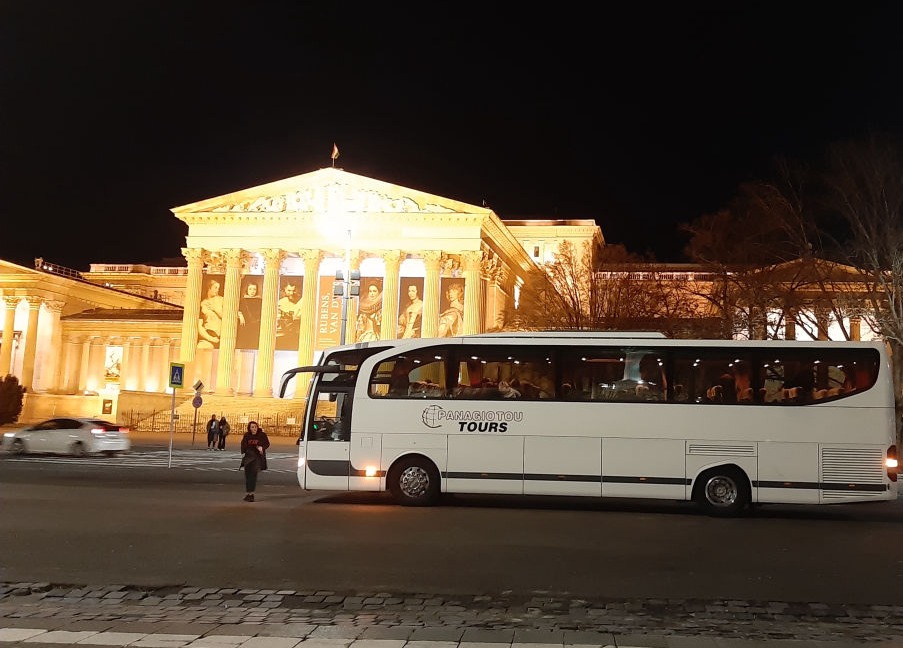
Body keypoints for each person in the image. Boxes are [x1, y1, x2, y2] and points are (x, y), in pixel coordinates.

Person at [239, 420, 270, 502]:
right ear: (249, 428)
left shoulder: (262, 435)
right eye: (252, 427)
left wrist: (262, 447)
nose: (254, 428)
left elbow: (267, 443)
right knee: (247, 476)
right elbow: (243, 444)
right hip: (248, 458)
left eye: (255, 427)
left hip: (257, 458)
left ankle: (251, 494)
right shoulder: (247, 435)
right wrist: (243, 452)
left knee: (253, 475)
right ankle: (248, 493)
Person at [197, 279, 224, 349]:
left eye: (218, 288)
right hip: (207, 334)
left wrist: (215, 309)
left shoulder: (222, 300)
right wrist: (210, 338)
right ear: (209, 288)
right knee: (201, 348)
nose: (217, 290)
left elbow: (228, 317)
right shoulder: (203, 303)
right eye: (215, 287)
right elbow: (199, 325)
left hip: (220, 334)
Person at [236, 280, 263, 349]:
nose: (252, 291)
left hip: (256, 325)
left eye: (254, 289)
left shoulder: (260, 301)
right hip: (245, 324)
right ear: (247, 290)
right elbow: (236, 310)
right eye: (250, 289)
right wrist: (240, 315)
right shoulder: (242, 300)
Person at [276, 282, 303, 349]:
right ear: (284, 289)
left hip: (296, 329)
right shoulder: (281, 301)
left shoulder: (298, 300)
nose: (291, 293)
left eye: (293, 291)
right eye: (289, 290)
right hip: (286, 329)